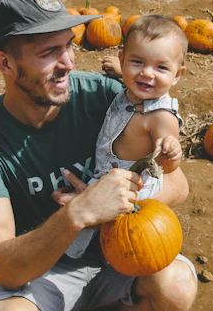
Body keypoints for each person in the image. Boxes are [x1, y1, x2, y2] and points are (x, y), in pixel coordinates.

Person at [0, 0, 197, 311]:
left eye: (69, 45)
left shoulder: (106, 97)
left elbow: (178, 184)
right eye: (48, 52)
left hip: (124, 253)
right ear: (6, 64)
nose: (67, 62)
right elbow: (6, 268)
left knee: (176, 286)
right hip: (44, 270)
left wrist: (111, 207)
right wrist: (78, 213)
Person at [64, 14, 188, 260]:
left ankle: (95, 255)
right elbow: (137, 80)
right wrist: (123, 72)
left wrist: (171, 150)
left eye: (161, 67)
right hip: (110, 174)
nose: (147, 74)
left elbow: (167, 168)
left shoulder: (161, 116)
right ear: (123, 60)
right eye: (137, 62)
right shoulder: (135, 89)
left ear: (177, 75)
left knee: (118, 234)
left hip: (136, 186)